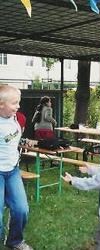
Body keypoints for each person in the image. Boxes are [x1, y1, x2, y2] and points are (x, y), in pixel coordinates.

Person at [0, 85, 33, 250]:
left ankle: (14, 241)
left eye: (18, 102)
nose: (18, 106)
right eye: (14, 103)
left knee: (21, 209)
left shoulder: (16, 118)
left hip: (12, 171)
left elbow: (11, 140)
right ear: (1, 104)